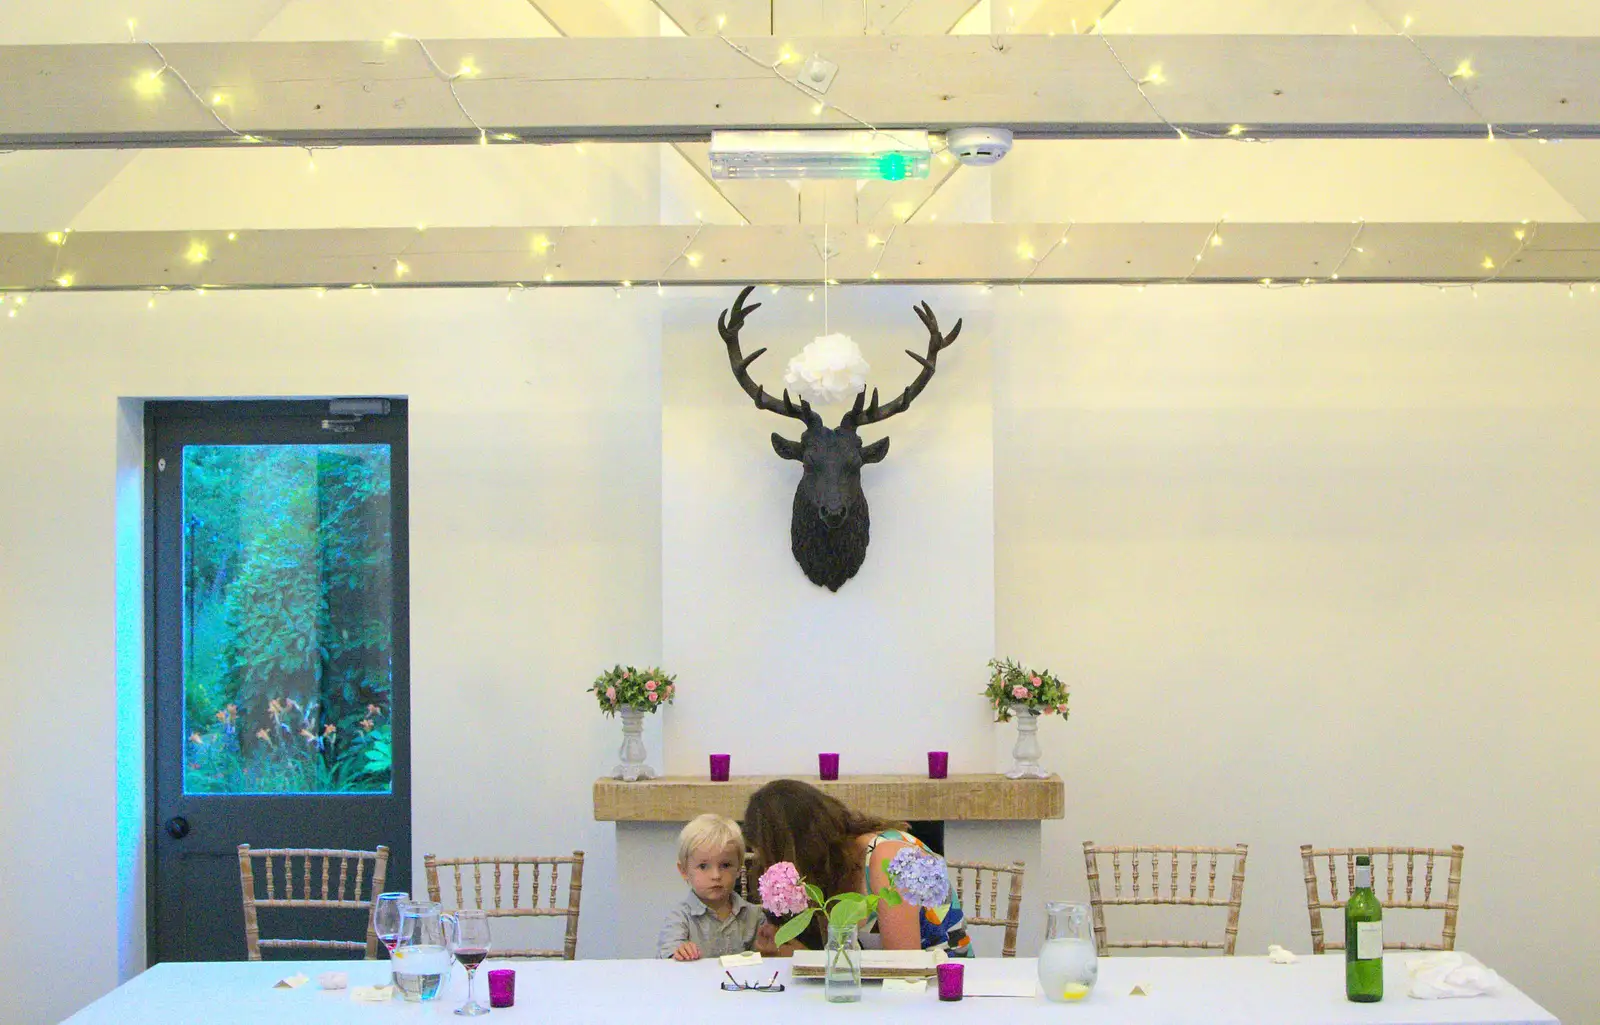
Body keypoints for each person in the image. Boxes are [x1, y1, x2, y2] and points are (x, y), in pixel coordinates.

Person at [744, 779, 970, 956]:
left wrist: (800, 955)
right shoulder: (830, 871)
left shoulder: (889, 858)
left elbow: (903, 969)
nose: (767, 868)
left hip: (939, 994)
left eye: (769, 858)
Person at [656, 813, 764, 961]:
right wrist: (680, 951)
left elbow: (765, 966)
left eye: (725, 865)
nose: (716, 875)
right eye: (703, 866)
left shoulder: (755, 917)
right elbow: (667, 956)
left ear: (739, 867)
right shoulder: (680, 917)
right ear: (684, 871)